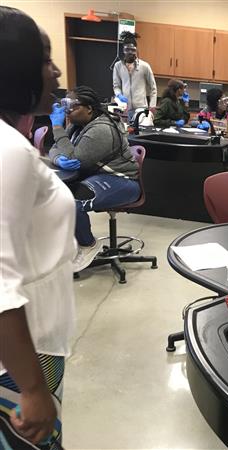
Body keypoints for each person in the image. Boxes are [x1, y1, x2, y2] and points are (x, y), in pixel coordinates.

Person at [0, 7, 75, 448]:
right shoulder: (9, 150)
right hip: (22, 352)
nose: (56, 70)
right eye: (46, 59)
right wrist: (32, 388)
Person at [49, 86, 140, 272]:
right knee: (56, 195)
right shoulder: (77, 125)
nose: (67, 110)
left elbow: (75, 158)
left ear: (89, 108)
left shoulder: (101, 129)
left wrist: (57, 128)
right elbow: (56, 148)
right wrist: (58, 158)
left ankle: (88, 244)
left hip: (122, 181)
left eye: (72, 105)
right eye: (65, 105)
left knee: (71, 201)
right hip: (97, 176)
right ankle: (71, 244)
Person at [112, 31, 157, 122]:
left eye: (133, 50)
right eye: (127, 49)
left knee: (140, 132)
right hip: (124, 108)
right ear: (123, 50)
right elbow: (116, 86)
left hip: (141, 109)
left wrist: (152, 106)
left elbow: (153, 88)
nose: (130, 52)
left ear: (136, 50)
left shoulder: (144, 66)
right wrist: (119, 94)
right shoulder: (118, 66)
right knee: (125, 132)